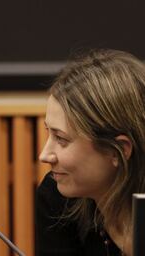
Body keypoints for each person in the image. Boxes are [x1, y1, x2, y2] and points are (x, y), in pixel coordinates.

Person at [36, 49, 145, 256]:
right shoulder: (56, 198)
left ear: (119, 150)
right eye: (49, 133)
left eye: (61, 139)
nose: (44, 155)